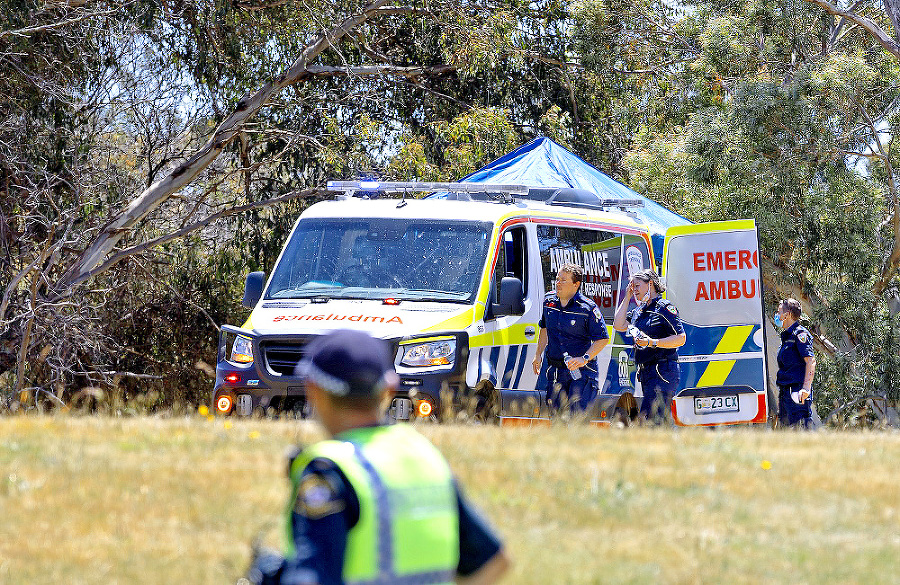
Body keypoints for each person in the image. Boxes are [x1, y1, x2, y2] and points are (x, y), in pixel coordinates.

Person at [248, 329, 510, 585]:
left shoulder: (329, 472)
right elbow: (495, 561)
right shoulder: (426, 456)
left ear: (313, 390)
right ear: (387, 390)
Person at [531, 263, 610, 414]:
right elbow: (544, 328)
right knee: (556, 419)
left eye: (563, 280)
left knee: (576, 418)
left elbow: (602, 339)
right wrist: (537, 354)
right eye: (557, 279)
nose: (558, 283)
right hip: (556, 371)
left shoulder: (587, 308)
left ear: (576, 284)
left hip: (581, 372)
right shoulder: (549, 301)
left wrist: (584, 358)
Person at [613, 269, 686, 423]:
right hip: (646, 372)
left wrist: (652, 342)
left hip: (663, 370)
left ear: (650, 284)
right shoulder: (639, 311)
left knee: (649, 419)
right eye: (632, 286)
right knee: (658, 420)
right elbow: (618, 324)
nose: (635, 290)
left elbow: (681, 338)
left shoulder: (664, 308)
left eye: (637, 286)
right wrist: (626, 297)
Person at [774, 298, 816, 428]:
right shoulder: (786, 336)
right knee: (788, 431)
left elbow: (811, 361)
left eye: (779, 312)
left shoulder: (800, 334)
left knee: (802, 427)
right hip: (785, 390)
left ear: (787, 314)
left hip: (797, 390)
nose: (777, 315)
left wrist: (806, 388)